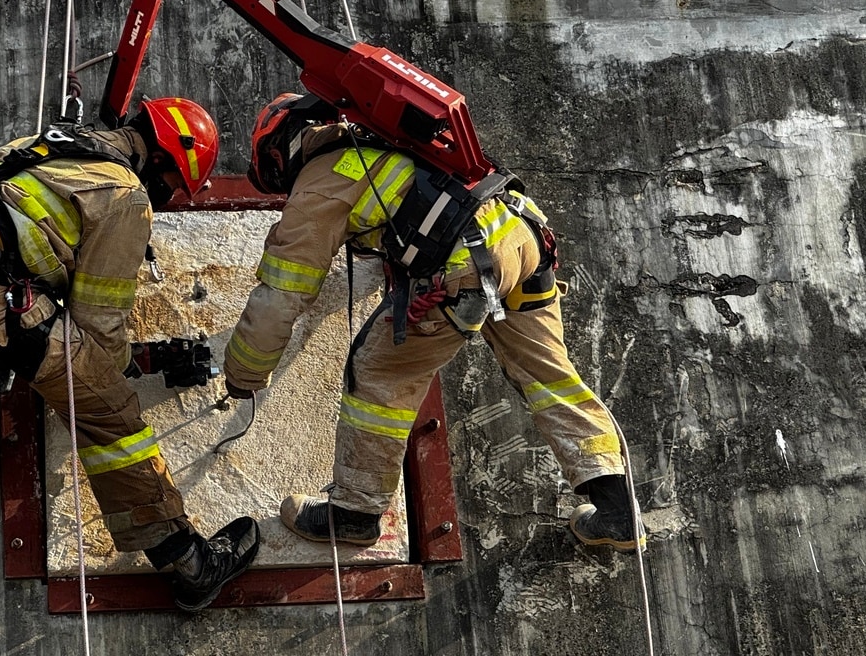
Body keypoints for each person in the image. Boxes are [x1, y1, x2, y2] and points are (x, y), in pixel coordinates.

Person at [221, 92, 641, 551]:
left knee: (380, 372)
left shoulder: (324, 179)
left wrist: (244, 373)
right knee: (548, 374)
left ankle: (354, 512)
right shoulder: (385, 145)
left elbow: (282, 293)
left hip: (464, 266)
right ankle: (616, 508)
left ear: (279, 150)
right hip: (523, 237)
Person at [0, 98, 259, 611]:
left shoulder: (36, 147)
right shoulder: (125, 192)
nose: (164, 199)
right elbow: (98, 322)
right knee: (108, 412)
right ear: (161, 161)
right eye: (172, 186)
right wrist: (129, 365)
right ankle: (188, 561)